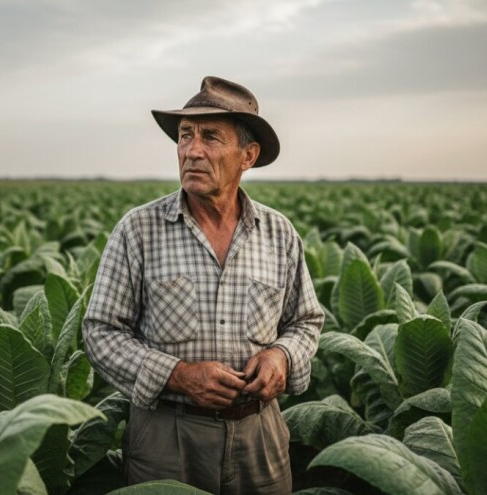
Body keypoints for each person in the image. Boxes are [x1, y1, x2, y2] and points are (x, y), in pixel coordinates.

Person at [82, 76, 323, 494]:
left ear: (248, 155)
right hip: (166, 439)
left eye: (210, 137)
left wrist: (282, 357)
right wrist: (178, 374)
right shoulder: (139, 230)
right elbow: (100, 332)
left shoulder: (279, 233)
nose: (192, 150)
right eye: (185, 136)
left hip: (259, 436)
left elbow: (306, 321)